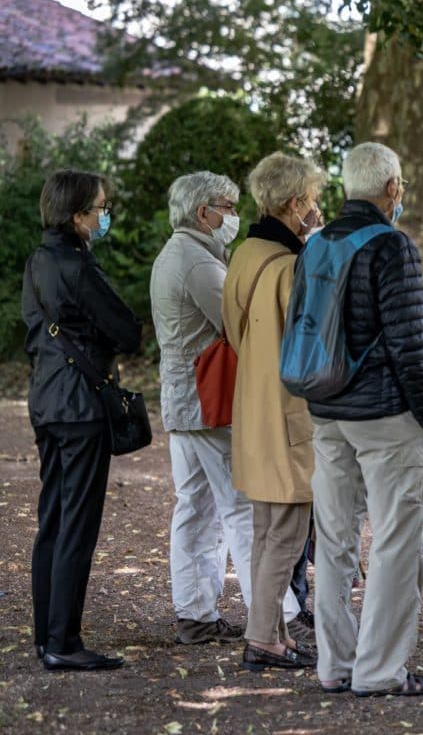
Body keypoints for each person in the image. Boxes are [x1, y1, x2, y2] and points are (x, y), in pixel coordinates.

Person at [306, 142, 423, 697]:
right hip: (385, 414)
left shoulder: (315, 246)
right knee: (396, 542)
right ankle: (381, 670)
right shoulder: (392, 247)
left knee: (335, 539)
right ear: (391, 189)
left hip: (327, 409)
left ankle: (335, 663)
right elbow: (411, 342)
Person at [149, 171, 303, 645]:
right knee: (239, 505)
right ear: (204, 213)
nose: (234, 216)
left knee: (194, 507)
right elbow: (239, 322)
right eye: (228, 207)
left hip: (183, 397)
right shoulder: (197, 263)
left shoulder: (176, 255)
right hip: (209, 400)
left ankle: (195, 610)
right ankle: (276, 613)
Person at [22, 169, 141, 670]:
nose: (104, 214)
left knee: (53, 519)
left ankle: (46, 635)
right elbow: (126, 330)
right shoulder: (77, 265)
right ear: (77, 216)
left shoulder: (38, 260)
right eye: (100, 207)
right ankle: (64, 642)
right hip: (81, 406)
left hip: (47, 400)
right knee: (77, 524)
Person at [223, 152, 325, 671]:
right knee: (286, 534)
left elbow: (234, 332)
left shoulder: (245, 252)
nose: (317, 207)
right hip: (289, 417)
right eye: (312, 199)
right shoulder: (291, 264)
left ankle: (272, 632)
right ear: (294, 203)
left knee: (266, 531)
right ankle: (263, 637)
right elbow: (309, 348)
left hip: (254, 409)